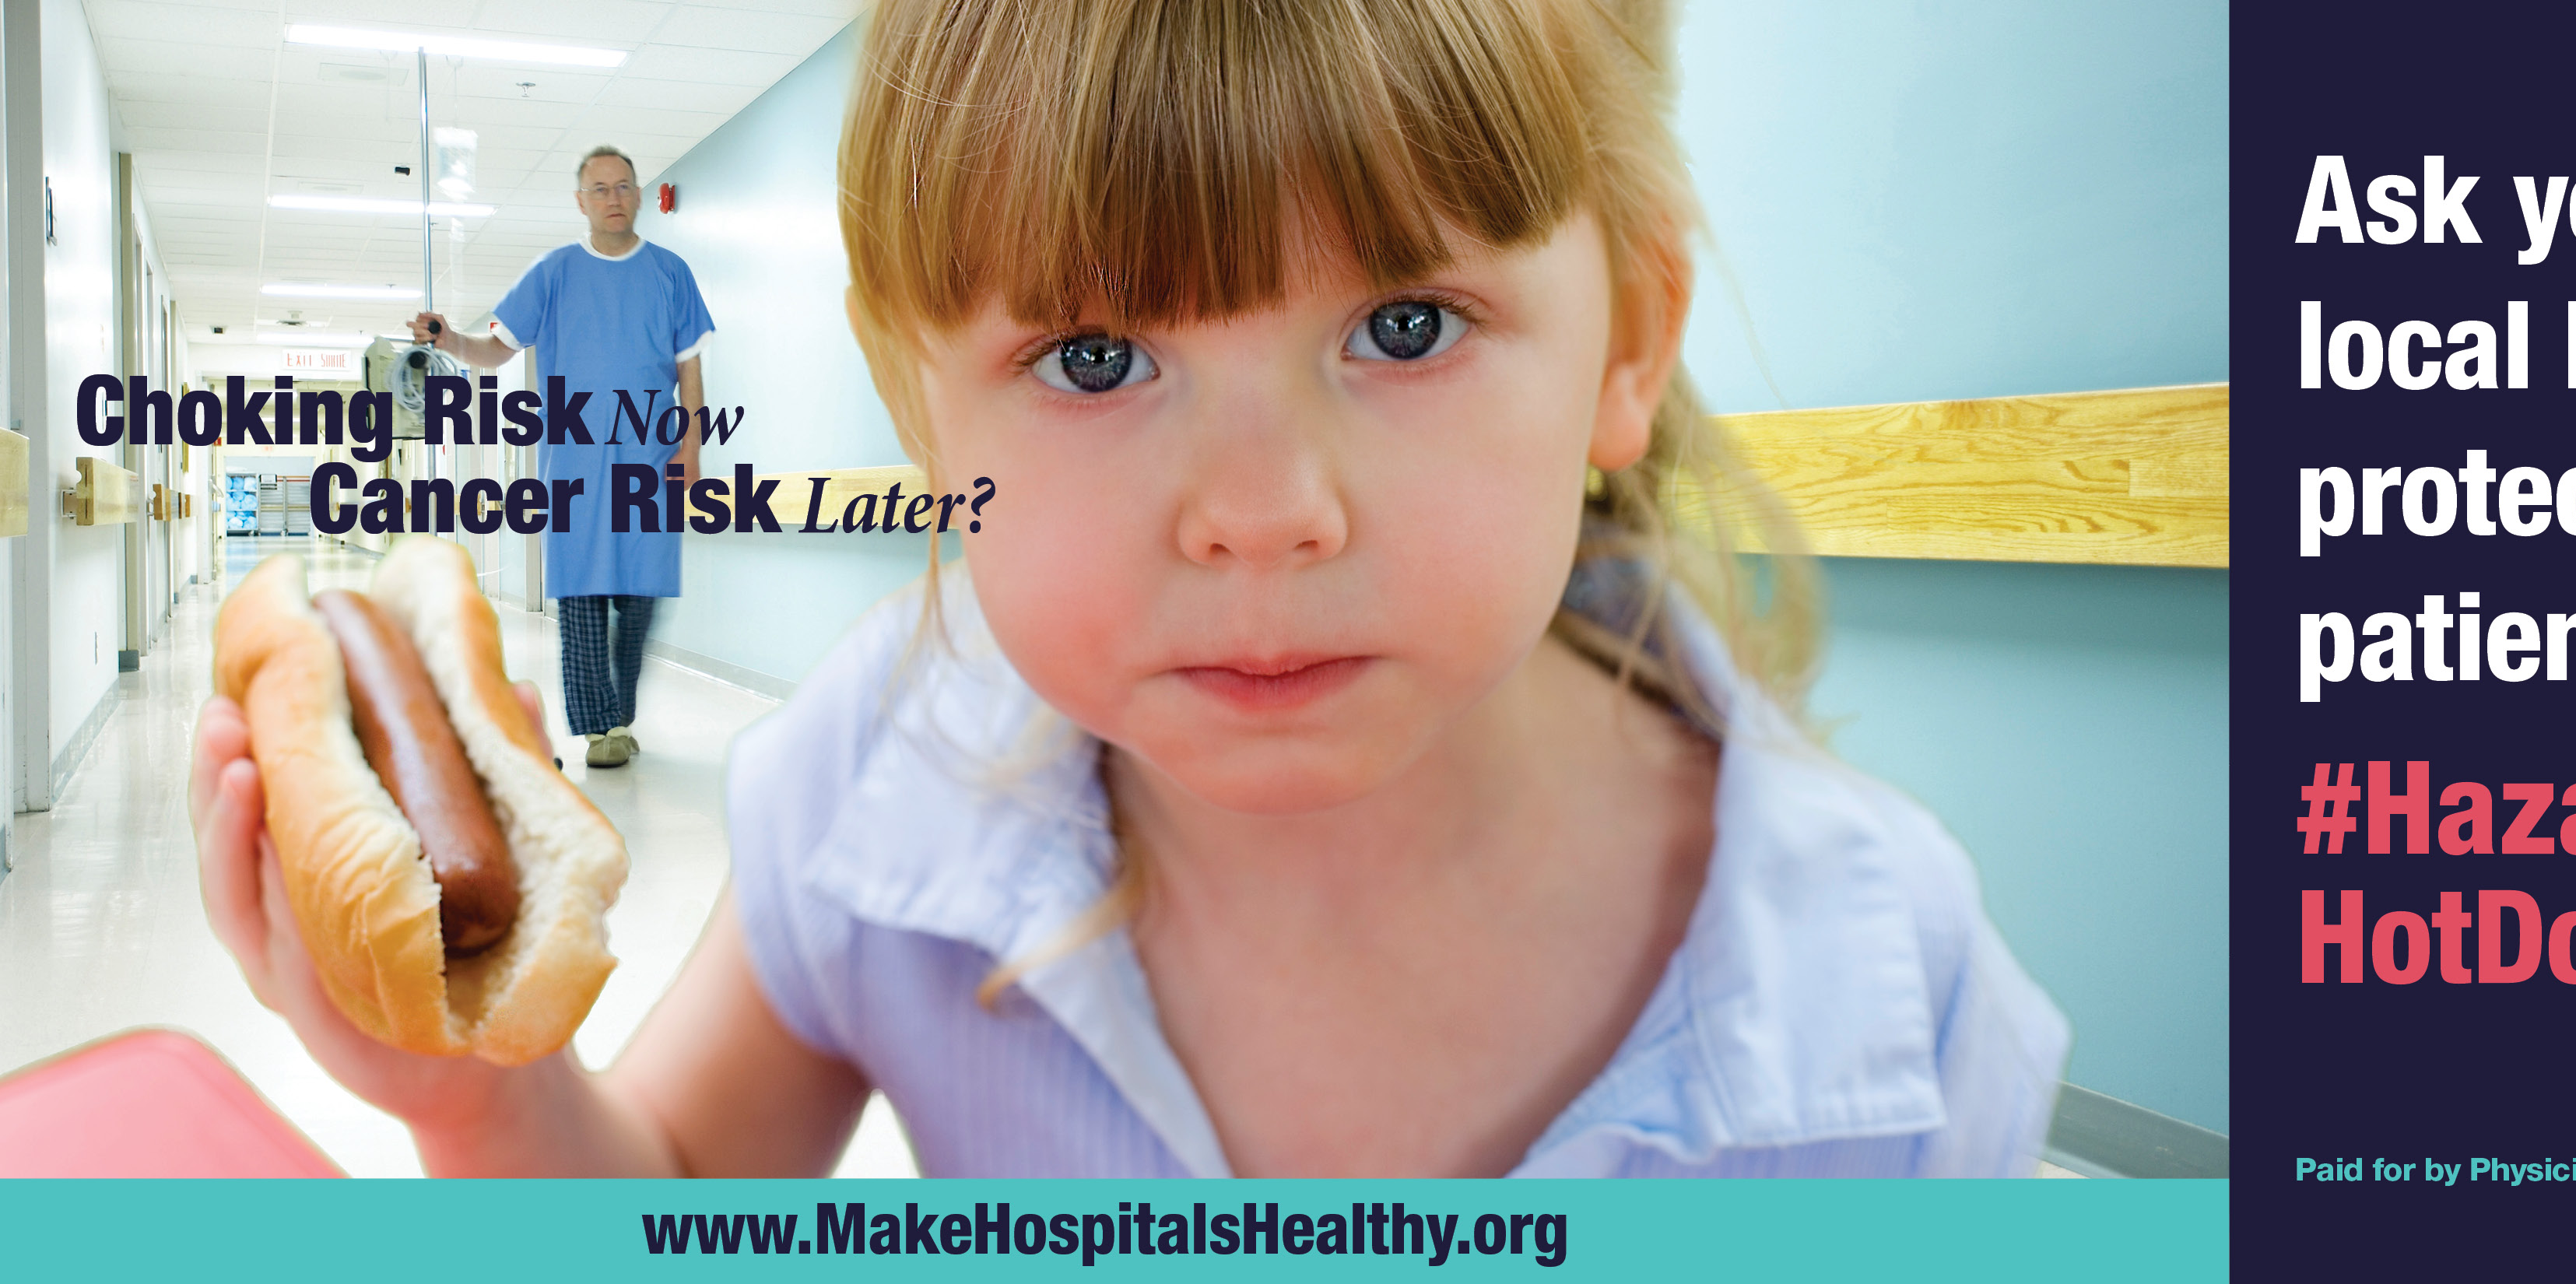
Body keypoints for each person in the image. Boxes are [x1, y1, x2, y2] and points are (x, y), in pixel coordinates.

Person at [193, 0, 2068, 1177]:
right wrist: (470, 1095)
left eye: (1405, 324)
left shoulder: (1887, 999)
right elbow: (670, 1174)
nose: (1259, 515)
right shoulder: (890, 773)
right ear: (930, 406)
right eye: (1097, 357)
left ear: (1627, 342)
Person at [411, 145, 715, 770]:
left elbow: (691, 368)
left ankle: (619, 713)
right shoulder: (552, 274)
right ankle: (601, 727)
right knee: (581, 593)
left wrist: (691, 447)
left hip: (650, 457)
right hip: (574, 461)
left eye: (624, 186)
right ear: (581, 202)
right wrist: (450, 339)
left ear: (637, 195)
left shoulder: (670, 273)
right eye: (599, 189)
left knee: (639, 596)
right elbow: (495, 352)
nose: (613, 198)